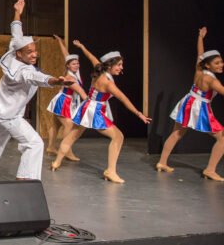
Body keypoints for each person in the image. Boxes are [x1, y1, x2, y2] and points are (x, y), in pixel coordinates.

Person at [0, 0, 74, 182]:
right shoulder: (23, 71)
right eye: (30, 52)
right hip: (9, 114)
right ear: (19, 54)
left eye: (34, 50)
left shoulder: (15, 51)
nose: (34, 54)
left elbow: (16, 31)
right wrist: (56, 81)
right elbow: (39, 78)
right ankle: (24, 180)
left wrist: (17, 12)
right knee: (35, 143)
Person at [51, 49, 151, 183]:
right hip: (95, 110)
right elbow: (124, 99)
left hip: (86, 107)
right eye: (119, 65)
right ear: (110, 66)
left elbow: (92, 58)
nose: (121, 68)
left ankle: (56, 162)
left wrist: (82, 47)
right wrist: (139, 113)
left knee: (72, 135)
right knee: (118, 136)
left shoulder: (99, 70)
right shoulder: (107, 83)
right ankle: (111, 171)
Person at [156, 27, 224, 181]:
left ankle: (162, 162)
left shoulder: (199, 69)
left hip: (188, 102)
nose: (221, 65)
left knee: (177, 133)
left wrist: (200, 37)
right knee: (223, 138)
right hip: (199, 108)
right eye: (217, 63)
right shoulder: (212, 80)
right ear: (208, 65)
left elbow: (200, 54)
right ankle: (210, 170)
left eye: (221, 62)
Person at [45, 35, 88, 161]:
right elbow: (80, 92)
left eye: (77, 63)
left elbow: (66, 55)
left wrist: (60, 42)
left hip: (68, 101)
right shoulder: (70, 77)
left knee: (56, 124)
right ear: (68, 66)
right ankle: (67, 150)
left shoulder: (76, 72)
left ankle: (51, 147)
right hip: (63, 102)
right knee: (69, 125)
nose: (76, 65)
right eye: (74, 64)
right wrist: (89, 101)